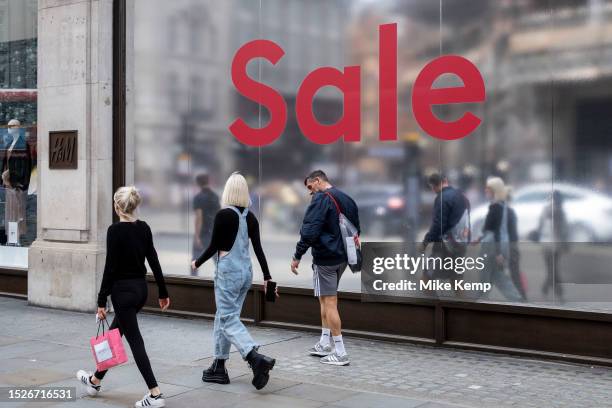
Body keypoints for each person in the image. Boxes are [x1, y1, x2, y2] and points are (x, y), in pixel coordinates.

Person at [76, 186, 170, 408]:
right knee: (115, 335)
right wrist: (163, 292)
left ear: (117, 207)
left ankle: (155, 394)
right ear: (134, 206)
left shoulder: (115, 231)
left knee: (135, 340)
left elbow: (110, 268)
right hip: (140, 291)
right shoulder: (144, 228)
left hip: (123, 293)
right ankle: (95, 381)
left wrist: (101, 301)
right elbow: (154, 261)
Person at [192, 172, 276, 390]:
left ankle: (254, 357)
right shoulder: (251, 217)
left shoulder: (223, 215)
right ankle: (218, 367)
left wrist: (197, 263)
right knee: (224, 318)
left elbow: (213, 246)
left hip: (228, 274)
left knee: (227, 319)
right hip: (245, 274)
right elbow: (258, 249)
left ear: (228, 191)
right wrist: (267, 276)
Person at [291, 170, 360, 366]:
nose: (310, 192)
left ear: (318, 180)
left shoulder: (321, 199)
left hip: (326, 258)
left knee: (330, 303)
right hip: (343, 257)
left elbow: (309, 230)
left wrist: (297, 255)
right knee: (324, 298)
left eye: (310, 187)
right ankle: (324, 343)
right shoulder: (346, 197)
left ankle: (340, 352)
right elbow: (356, 228)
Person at [419, 173, 469, 287]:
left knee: (425, 279)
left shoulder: (441, 198)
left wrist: (425, 243)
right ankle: (463, 304)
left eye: (432, 187)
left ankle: (433, 304)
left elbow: (438, 225)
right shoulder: (461, 196)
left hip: (444, 247)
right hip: (460, 245)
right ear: (446, 181)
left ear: (433, 186)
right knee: (456, 282)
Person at [478, 177, 523, 302]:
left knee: (484, 275)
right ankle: (516, 299)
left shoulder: (495, 207)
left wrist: (498, 253)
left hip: (491, 246)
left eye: (488, 189)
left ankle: (479, 300)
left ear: (494, 190)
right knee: (497, 275)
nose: (485, 191)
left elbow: (494, 229)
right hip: (498, 244)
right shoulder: (502, 206)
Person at [535, 190, 569, 302]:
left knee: (552, 270)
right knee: (552, 270)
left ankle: (550, 292)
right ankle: (556, 293)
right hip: (549, 246)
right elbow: (540, 226)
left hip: (552, 246)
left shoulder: (556, 212)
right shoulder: (550, 211)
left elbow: (563, 231)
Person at [192, 173, 220, 275]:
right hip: (214, 233)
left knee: (195, 262)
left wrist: (197, 236)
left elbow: (199, 217)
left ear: (198, 183)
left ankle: (192, 284)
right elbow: (219, 215)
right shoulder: (215, 196)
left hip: (203, 233)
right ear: (209, 181)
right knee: (218, 262)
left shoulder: (198, 197)